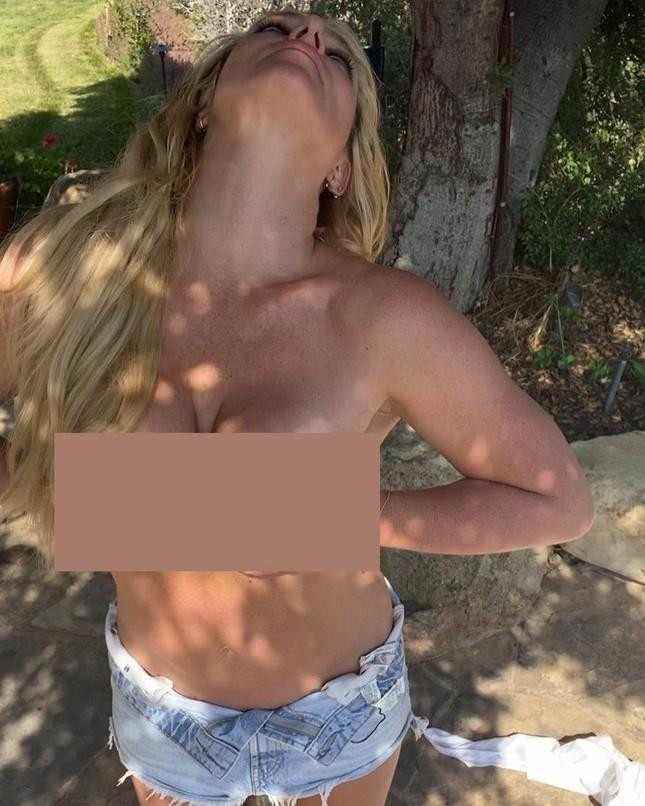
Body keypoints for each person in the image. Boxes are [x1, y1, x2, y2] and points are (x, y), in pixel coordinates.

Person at [0, 7, 595, 806]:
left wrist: (345, 514)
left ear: (341, 168)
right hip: (165, 710)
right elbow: (66, 491)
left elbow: (559, 502)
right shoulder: (64, 267)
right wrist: (51, 485)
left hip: (340, 711)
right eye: (275, 29)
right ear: (202, 106)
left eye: (339, 56)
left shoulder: (383, 317)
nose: (308, 36)